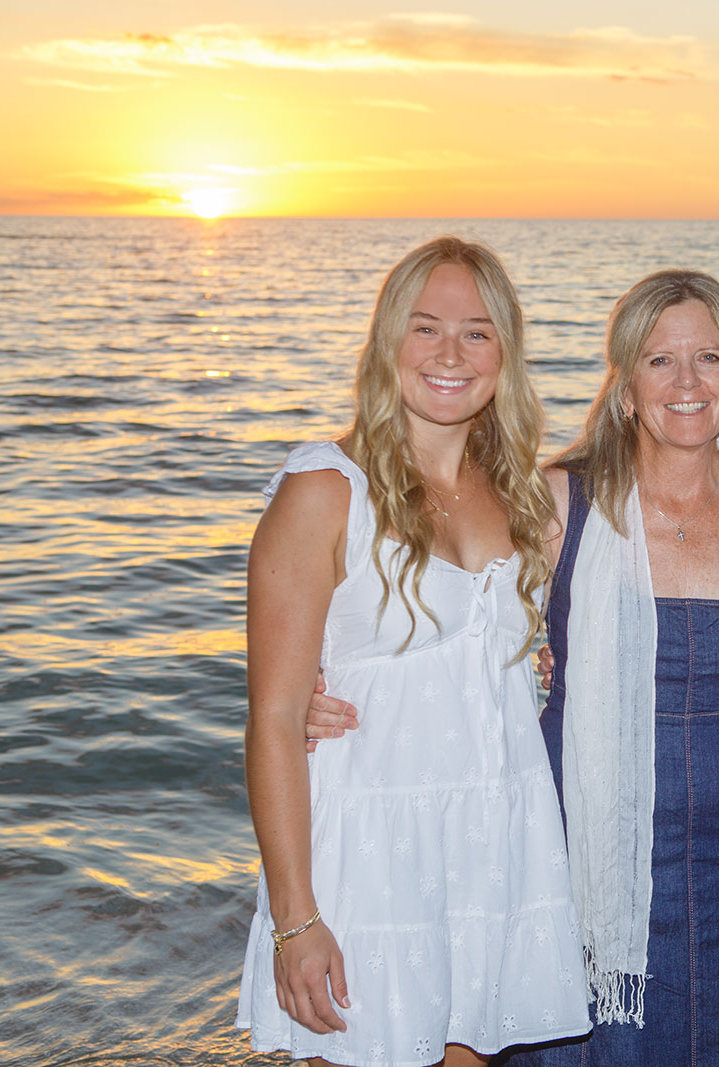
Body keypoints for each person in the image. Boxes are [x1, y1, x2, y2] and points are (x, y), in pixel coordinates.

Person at [308, 270, 719, 1066]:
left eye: (709, 358)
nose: (686, 381)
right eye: (659, 360)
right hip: (577, 856)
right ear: (626, 387)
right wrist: (320, 689)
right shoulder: (559, 504)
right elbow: (444, 629)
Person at [237, 236, 591, 1067]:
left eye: (476, 332)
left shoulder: (521, 494)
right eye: (425, 327)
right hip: (370, 857)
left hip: (494, 843)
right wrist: (295, 918)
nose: (450, 354)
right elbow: (274, 718)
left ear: (504, 353)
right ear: (387, 340)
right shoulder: (326, 490)